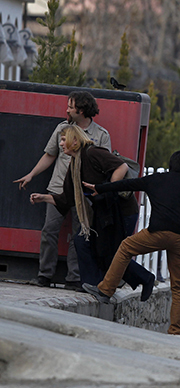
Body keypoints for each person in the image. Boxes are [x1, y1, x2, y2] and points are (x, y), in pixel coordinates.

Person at [80, 150, 180, 336]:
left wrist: (100, 187)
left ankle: (106, 290)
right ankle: (176, 332)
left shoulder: (156, 179)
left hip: (158, 232)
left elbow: (127, 184)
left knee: (125, 248)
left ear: (170, 166)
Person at [28, 124, 152, 293]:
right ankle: (93, 284)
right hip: (103, 213)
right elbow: (67, 198)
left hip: (121, 211)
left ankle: (144, 279)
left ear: (74, 140)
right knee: (83, 242)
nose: (61, 144)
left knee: (113, 253)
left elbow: (121, 166)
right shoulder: (74, 165)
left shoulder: (93, 152)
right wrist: (43, 198)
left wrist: (106, 189)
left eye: (64, 139)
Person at [15, 91, 110, 290]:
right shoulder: (62, 129)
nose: (66, 109)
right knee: (49, 230)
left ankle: (74, 277)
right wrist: (31, 174)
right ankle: (44, 275)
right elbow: (50, 155)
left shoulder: (101, 135)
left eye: (70, 106)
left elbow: (105, 165)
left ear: (81, 110)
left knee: (80, 234)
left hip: (83, 193)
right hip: (57, 188)